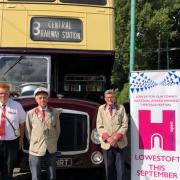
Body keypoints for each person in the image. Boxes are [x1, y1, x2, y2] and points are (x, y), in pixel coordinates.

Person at [25, 87, 60, 180]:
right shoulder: (30, 113)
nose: (42, 99)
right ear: (36, 99)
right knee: (36, 176)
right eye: (40, 98)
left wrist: (52, 141)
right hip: (36, 148)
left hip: (51, 148)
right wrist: (34, 142)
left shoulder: (55, 112)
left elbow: (57, 130)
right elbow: (28, 131)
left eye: (44, 97)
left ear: (47, 98)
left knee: (52, 175)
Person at [96, 89, 128, 180]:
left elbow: (125, 124)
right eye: (108, 98)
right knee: (109, 169)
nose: (110, 99)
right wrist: (109, 138)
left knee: (120, 170)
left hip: (119, 143)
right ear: (105, 99)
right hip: (107, 144)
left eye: (112, 97)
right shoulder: (101, 109)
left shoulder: (121, 108)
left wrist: (116, 138)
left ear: (115, 98)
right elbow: (99, 126)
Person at [0, 82, 26, 180]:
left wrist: (21, 140)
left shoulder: (17, 105)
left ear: (9, 93)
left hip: (12, 142)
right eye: (1, 93)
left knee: (9, 168)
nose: (3, 95)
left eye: (5, 93)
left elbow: (22, 123)